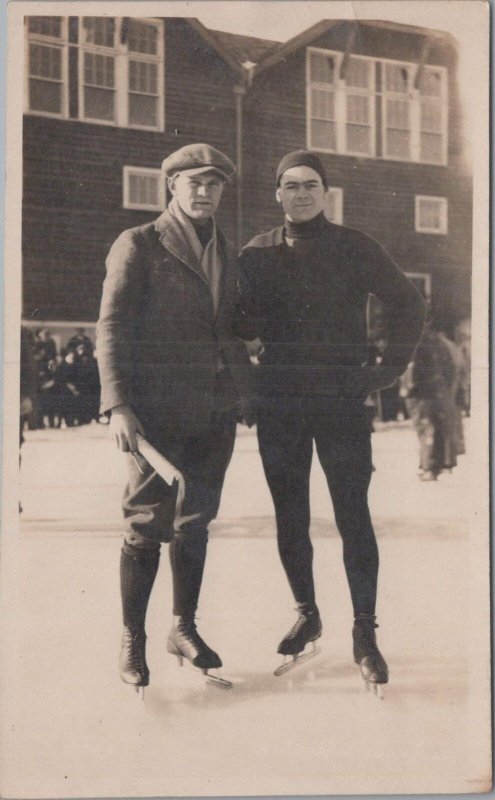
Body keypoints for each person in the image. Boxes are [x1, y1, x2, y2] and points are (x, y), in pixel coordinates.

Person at [236, 150, 425, 690]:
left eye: (311, 185)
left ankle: (364, 631)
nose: (300, 193)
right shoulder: (256, 254)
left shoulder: (355, 246)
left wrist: (386, 371)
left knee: (352, 513)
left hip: (341, 397)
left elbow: (408, 303)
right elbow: (236, 318)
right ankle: (306, 610)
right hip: (281, 402)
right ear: (277, 193)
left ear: (326, 194)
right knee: (290, 512)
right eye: (290, 185)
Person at [97, 143, 251, 689]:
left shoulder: (227, 250)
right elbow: (111, 326)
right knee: (145, 525)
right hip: (155, 414)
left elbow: (228, 323)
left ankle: (182, 626)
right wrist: (118, 404)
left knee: (195, 522)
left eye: (213, 184)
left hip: (215, 408)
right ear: (172, 187)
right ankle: (132, 640)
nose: (204, 191)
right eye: (193, 183)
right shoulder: (138, 244)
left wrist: (244, 381)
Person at [400, 322, 459, 480]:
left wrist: (407, 389)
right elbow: (451, 368)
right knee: (435, 426)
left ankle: (429, 468)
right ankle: (438, 465)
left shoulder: (415, 342)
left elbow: (411, 368)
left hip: (421, 393)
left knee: (425, 428)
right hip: (438, 391)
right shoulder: (438, 342)